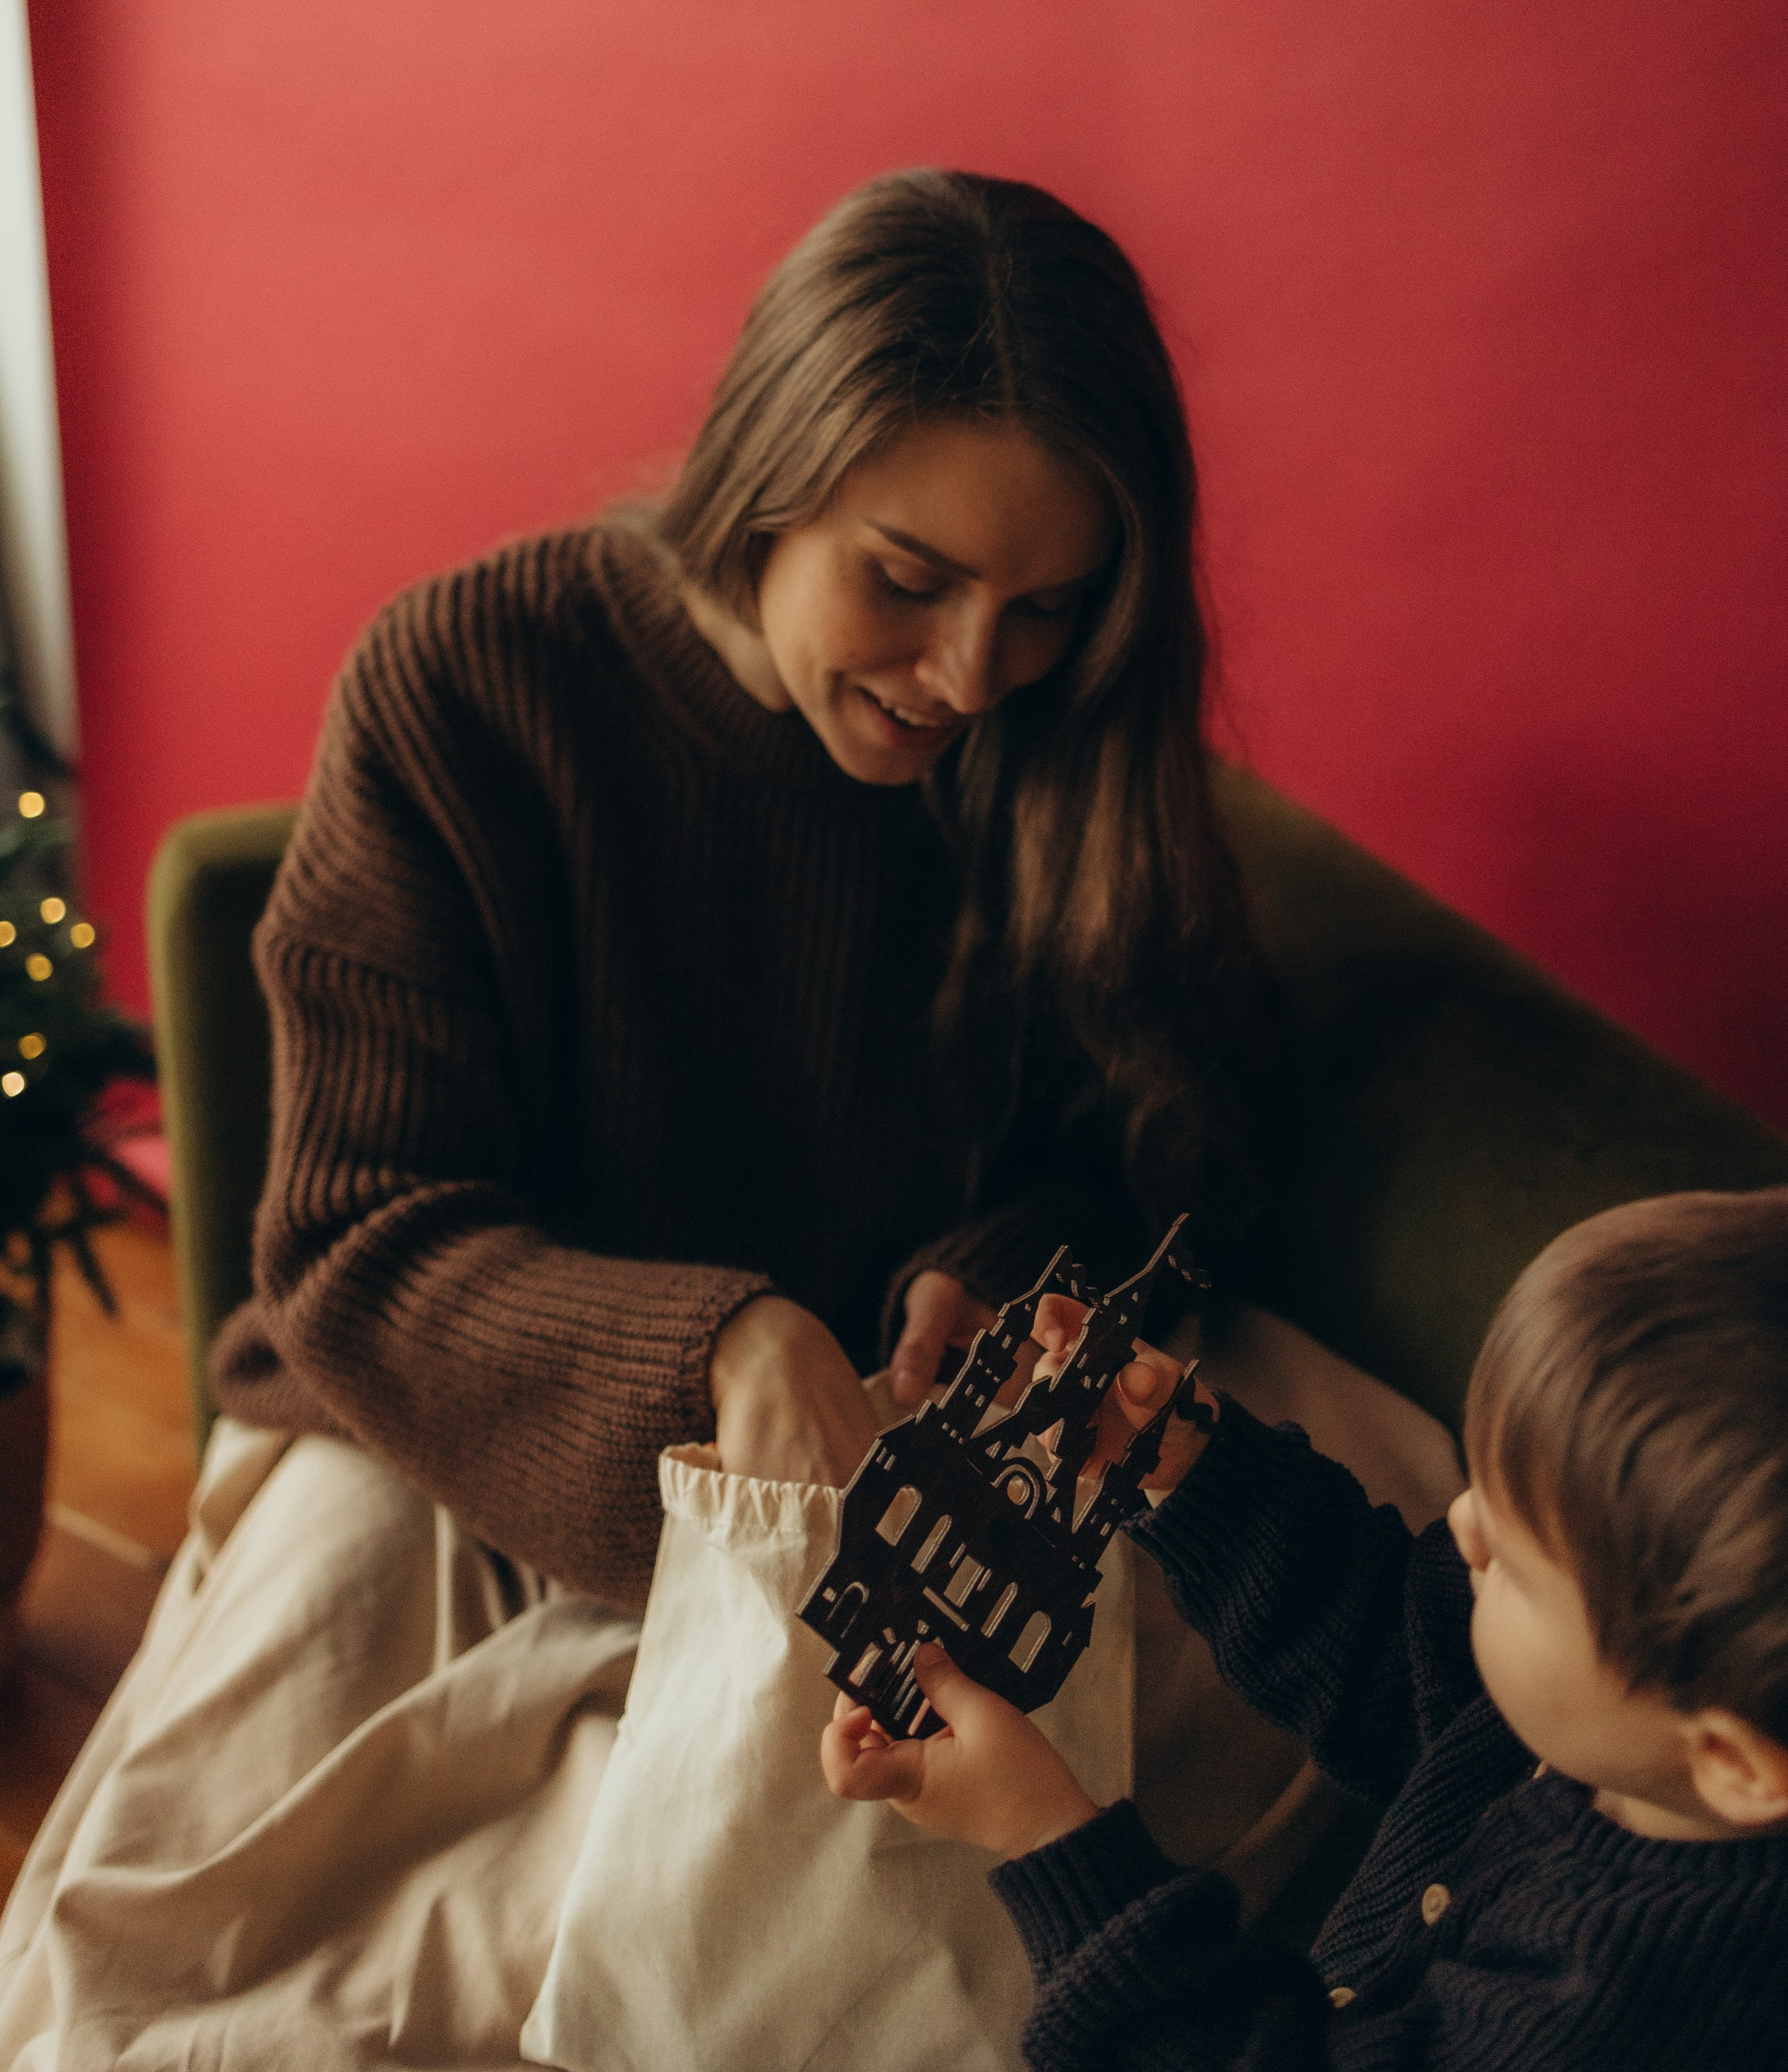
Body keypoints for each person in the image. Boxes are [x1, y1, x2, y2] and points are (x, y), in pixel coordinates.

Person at [1, 168, 1295, 2066]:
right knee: (153, 2006)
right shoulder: (466, 685)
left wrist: (987, 1273)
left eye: (1042, 608)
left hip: (882, 1466)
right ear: (768, 469)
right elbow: (359, 1237)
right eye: (907, 578)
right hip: (429, 1436)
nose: (963, 676)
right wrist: (724, 1345)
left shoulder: (1055, 744)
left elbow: (1140, 1153)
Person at [821, 1185, 1788, 2067]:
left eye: (1523, 1566)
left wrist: (1047, 1838)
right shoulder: (1622, 1725)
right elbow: (1398, 1662)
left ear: (1733, 1763)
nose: (1464, 1526)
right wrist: (1193, 1468)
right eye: (1490, 1490)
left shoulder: (1614, 2020)